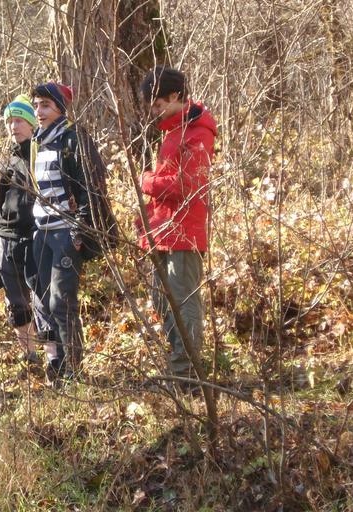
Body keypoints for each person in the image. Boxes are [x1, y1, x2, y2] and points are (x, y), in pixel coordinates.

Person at [28, 82, 114, 382]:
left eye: (45, 105)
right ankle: (58, 364)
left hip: (66, 231)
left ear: (60, 108)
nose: (39, 112)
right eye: (36, 106)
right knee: (43, 300)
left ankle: (74, 370)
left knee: (62, 302)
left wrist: (80, 230)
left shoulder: (74, 139)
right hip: (42, 231)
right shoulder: (38, 141)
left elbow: (92, 187)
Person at [137, 66, 217, 381]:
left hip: (184, 230)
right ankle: (178, 363)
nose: (154, 112)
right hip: (164, 228)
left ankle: (188, 372)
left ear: (174, 96)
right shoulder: (173, 130)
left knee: (184, 301)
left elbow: (189, 184)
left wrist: (148, 181)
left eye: (158, 104)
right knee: (161, 298)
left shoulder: (198, 131)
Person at [0, 94, 40, 371]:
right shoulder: (7, 159)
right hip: (5, 239)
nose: (13, 126)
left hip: (34, 237)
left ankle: (54, 355)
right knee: (17, 304)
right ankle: (30, 356)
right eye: (9, 121)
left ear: (31, 123)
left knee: (43, 302)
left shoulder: (42, 154)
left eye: (19, 120)